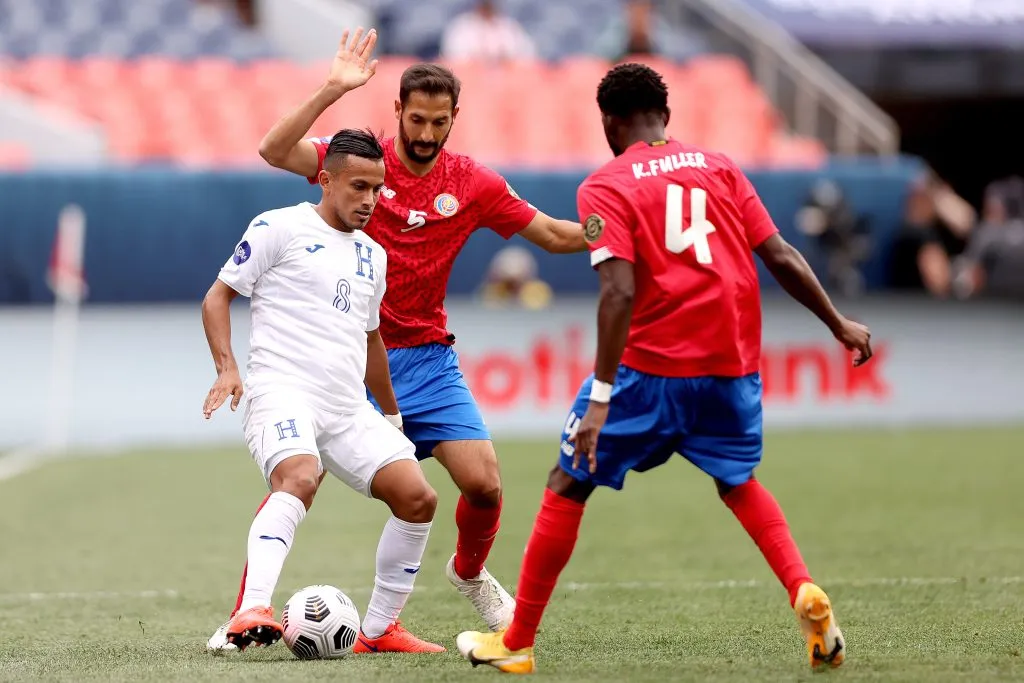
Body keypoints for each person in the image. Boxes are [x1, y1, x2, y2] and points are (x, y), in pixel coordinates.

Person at [455, 63, 873, 674]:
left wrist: (602, 396)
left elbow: (619, 291)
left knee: (568, 481)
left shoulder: (605, 185)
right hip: (731, 366)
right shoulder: (721, 167)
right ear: (666, 116)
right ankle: (803, 588)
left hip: (651, 370)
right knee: (737, 481)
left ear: (608, 122)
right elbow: (780, 254)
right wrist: (837, 323)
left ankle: (516, 641)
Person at [206, 28, 586, 653]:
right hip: (348, 360)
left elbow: (553, 235)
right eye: (416, 120)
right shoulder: (361, 163)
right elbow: (274, 149)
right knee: (298, 479)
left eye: (440, 122)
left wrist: (618, 226)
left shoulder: (473, 183)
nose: (427, 133)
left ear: (455, 117)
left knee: (484, 484)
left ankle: (464, 576)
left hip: (426, 358)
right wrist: (333, 88)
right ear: (397, 112)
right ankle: (244, 615)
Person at [201, 129, 444, 653]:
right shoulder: (279, 226)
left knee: (418, 498)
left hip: (347, 407)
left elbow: (372, 340)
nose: (370, 200)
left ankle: (379, 630)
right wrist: (227, 367)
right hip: (282, 391)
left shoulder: (373, 255)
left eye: (377, 189)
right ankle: (251, 610)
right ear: (326, 180)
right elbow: (217, 298)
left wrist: (392, 417)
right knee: (299, 477)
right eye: (359, 187)